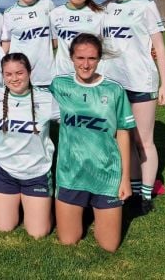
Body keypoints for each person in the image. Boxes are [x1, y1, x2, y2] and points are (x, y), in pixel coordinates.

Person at [50, 33, 136, 252]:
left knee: (109, 246)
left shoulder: (114, 90)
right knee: (68, 240)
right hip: (71, 174)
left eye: (91, 59)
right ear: (71, 57)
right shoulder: (60, 85)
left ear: (99, 59)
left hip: (106, 175)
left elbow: (123, 134)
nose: (86, 64)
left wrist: (124, 179)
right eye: (80, 58)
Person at [101, 0, 165, 214]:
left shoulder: (145, 6)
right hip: (114, 83)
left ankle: (146, 195)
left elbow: (159, 48)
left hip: (141, 82)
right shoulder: (107, 8)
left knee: (144, 141)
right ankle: (131, 189)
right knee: (124, 139)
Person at [0, 53, 58, 238]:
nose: (14, 78)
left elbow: (71, 121)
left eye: (19, 73)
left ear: (29, 72)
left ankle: (44, 208)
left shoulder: (46, 98)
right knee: (4, 227)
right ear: (2, 75)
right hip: (4, 171)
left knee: (38, 233)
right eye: (8, 74)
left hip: (37, 173)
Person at [2, 0, 55, 87]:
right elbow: (6, 48)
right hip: (20, 79)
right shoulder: (9, 13)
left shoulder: (47, 5)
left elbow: (55, 39)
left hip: (46, 77)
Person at [50, 0, 105, 76]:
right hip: (64, 76)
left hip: (92, 75)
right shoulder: (55, 13)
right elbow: (52, 44)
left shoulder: (100, 14)